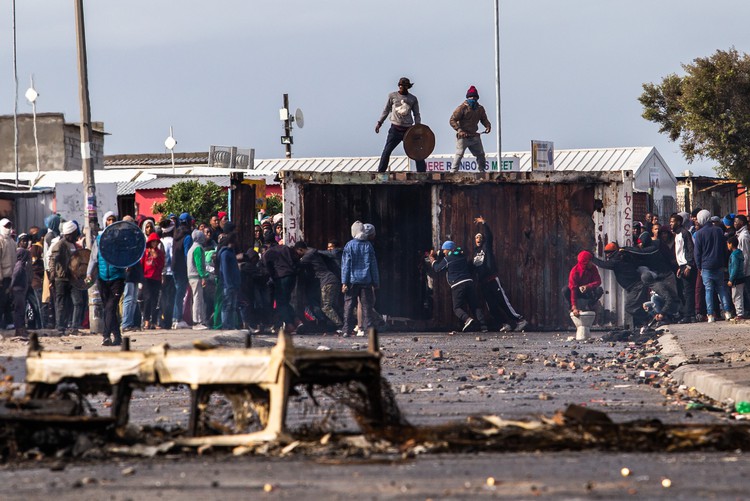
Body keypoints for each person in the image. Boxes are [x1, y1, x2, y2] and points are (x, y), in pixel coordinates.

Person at [471, 216, 527, 332]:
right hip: (483, 283)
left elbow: (490, 237)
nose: (478, 239)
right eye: (476, 237)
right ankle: (504, 324)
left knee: (503, 302)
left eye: (480, 237)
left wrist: (484, 224)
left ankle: (520, 320)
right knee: (491, 306)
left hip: (492, 280)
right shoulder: (474, 254)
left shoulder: (487, 248)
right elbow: (471, 266)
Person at [87, 211, 126, 346]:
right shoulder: (99, 239)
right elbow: (93, 258)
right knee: (108, 308)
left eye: (113, 219)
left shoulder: (121, 239)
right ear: (105, 222)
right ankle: (118, 337)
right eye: (108, 220)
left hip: (118, 278)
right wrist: (89, 273)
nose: (111, 222)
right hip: (102, 278)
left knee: (110, 307)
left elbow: (129, 254)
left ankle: (105, 335)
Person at [430, 240, 488, 332]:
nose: (444, 252)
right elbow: (453, 254)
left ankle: (467, 319)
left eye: (445, 250)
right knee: (475, 305)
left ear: (449, 250)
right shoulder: (462, 256)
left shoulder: (447, 259)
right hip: (469, 282)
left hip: (457, 285)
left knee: (457, 308)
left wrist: (432, 260)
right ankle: (483, 326)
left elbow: (437, 269)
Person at [591, 242, 650, 327]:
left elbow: (603, 264)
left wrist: (592, 258)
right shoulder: (623, 257)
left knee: (630, 307)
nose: (607, 255)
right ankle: (642, 326)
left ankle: (647, 319)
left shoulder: (617, 260)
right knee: (637, 306)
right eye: (606, 253)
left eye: (609, 252)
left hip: (636, 287)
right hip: (636, 286)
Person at [375, 77, 427, 173]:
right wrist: (379, 123)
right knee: (387, 150)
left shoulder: (413, 99)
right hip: (395, 128)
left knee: (416, 151)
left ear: (408, 87)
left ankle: (422, 172)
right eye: (400, 85)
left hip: (408, 129)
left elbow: (416, 114)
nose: (401, 87)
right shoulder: (392, 96)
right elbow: (386, 110)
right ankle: (381, 171)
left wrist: (418, 127)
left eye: (403, 86)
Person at [693, 209, 733, 322]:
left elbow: (697, 253)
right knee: (722, 289)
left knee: (708, 290)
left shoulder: (699, 234)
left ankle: (710, 315)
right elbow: (724, 248)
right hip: (718, 264)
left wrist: (699, 266)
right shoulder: (719, 231)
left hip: (706, 266)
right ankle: (727, 312)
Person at [341, 221, 380, 337]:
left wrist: (344, 282)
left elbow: (345, 266)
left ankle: (346, 330)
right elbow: (373, 266)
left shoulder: (349, 245)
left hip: (352, 281)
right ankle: (369, 330)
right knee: (367, 306)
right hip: (366, 281)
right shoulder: (368, 246)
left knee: (348, 306)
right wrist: (376, 281)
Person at [295, 241, 343, 330]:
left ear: (300, 249)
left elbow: (297, 265)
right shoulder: (313, 252)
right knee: (334, 305)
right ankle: (347, 322)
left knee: (326, 307)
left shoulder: (307, 256)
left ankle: (340, 325)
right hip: (332, 280)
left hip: (327, 282)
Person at [449, 86, 491, 173]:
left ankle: (482, 170)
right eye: (471, 97)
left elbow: (484, 119)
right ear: (467, 98)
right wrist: (459, 130)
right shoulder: (462, 108)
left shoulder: (480, 109)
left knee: (481, 154)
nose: (473, 99)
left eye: (475, 97)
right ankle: (453, 171)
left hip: (474, 135)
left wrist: (487, 126)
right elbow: (452, 120)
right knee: (459, 154)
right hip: (463, 136)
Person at [48, 221, 80, 335]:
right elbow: (52, 260)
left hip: (72, 279)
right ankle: (60, 326)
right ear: (70, 232)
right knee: (61, 303)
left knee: (76, 302)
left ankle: (74, 326)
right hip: (61, 279)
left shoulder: (73, 244)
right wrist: (52, 275)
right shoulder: (60, 244)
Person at [262, 238, 299, 330]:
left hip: (281, 277)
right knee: (286, 301)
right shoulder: (285, 248)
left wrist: (272, 277)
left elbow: (267, 268)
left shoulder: (268, 253)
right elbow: (295, 258)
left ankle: (289, 324)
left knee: (281, 303)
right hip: (292, 276)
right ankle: (297, 321)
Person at [670, 213, 696, 323]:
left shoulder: (685, 233)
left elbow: (690, 250)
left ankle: (689, 315)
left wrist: (689, 266)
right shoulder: (677, 235)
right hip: (682, 266)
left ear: (679, 222)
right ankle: (687, 313)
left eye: (672, 222)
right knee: (684, 291)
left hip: (687, 265)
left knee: (689, 291)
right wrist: (679, 267)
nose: (670, 224)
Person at [563, 251, 603, 316]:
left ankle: (590, 305)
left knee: (599, 290)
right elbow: (573, 289)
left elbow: (598, 281)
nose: (591, 263)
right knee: (565, 290)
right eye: (589, 261)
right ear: (585, 262)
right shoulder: (574, 271)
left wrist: (588, 286)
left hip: (588, 291)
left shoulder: (593, 268)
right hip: (577, 292)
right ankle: (572, 307)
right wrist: (574, 306)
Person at [141, 232, 165, 330]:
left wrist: (156, 257)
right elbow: (142, 264)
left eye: (156, 242)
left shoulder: (160, 253)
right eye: (153, 241)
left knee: (155, 300)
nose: (154, 243)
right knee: (147, 299)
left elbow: (161, 265)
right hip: (146, 278)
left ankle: (154, 321)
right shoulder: (145, 252)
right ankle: (146, 321)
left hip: (156, 278)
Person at [187, 229, 209, 330]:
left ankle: (201, 320)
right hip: (196, 276)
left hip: (191, 276)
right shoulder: (198, 248)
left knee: (197, 298)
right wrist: (203, 276)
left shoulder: (191, 248)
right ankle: (197, 321)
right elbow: (199, 264)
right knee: (197, 299)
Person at [218, 232, 241, 330]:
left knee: (233, 305)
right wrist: (228, 284)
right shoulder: (225, 253)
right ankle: (226, 325)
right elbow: (225, 270)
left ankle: (231, 325)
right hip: (228, 284)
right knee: (227, 305)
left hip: (234, 283)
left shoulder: (231, 252)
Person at [10, 242, 31, 338]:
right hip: (18, 290)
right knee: (19, 310)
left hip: (21, 290)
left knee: (22, 310)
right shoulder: (19, 266)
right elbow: (14, 277)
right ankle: (19, 329)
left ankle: (21, 328)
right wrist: (10, 287)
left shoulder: (22, 265)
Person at [0, 219, 16, 330]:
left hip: (11, 276)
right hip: (3, 276)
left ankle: (8, 322)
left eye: (9, 225)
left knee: (8, 300)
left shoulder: (11, 241)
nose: (8, 228)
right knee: (2, 300)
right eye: (6, 226)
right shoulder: (0, 241)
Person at [727, 235, 745, 319]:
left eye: (728, 244)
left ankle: (739, 313)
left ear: (731, 244)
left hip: (736, 279)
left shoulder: (734, 255)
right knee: (739, 295)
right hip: (741, 277)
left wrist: (731, 279)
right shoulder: (739, 253)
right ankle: (740, 312)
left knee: (736, 296)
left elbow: (734, 268)